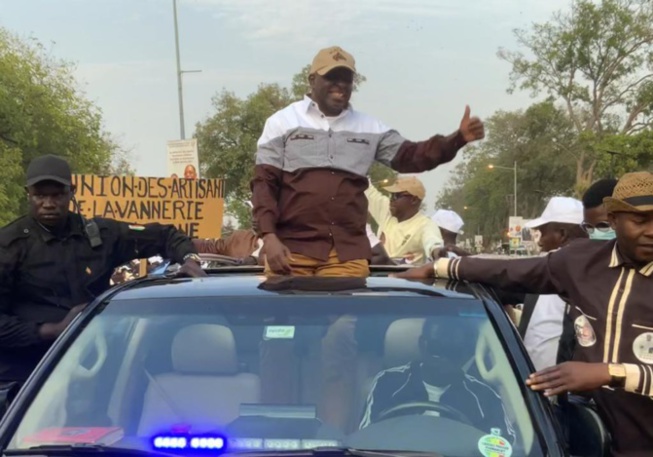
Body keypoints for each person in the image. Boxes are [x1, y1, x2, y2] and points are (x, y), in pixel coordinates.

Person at [394, 171, 653, 457]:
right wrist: (440, 268)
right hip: (588, 436)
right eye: (640, 220)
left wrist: (610, 373)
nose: (651, 230)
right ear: (614, 219)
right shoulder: (581, 262)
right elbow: (511, 271)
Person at [251, 45, 485, 277]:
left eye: (346, 79)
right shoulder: (281, 122)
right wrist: (269, 236)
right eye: (332, 77)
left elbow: (412, 156)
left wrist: (457, 139)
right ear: (312, 80)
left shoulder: (370, 128)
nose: (340, 85)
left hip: (346, 253)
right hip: (291, 248)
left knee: (347, 315)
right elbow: (264, 184)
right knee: (289, 315)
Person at [0, 154, 206, 387]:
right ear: (28, 193)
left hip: (93, 371)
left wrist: (190, 259)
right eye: (40, 195)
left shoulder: (99, 235)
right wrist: (50, 330)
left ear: (71, 192)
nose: (48, 203)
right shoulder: (8, 245)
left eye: (57, 195)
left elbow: (166, 235)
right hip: (25, 378)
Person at [360, 318, 515, 442]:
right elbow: (366, 438)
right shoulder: (389, 382)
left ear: (466, 355)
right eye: (436, 348)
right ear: (422, 345)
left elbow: (504, 447)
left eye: (452, 351)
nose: (443, 358)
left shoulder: (485, 397)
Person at [516, 197, 587, 372]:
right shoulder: (551, 269)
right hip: (536, 378)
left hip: (557, 383)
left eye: (542, 233)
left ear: (562, 235)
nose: (539, 242)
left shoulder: (567, 269)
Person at [366, 177, 443, 265]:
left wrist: (437, 252)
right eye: (391, 195)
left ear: (414, 200)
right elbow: (369, 191)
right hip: (376, 275)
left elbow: (433, 244)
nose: (391, 200)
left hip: (403, 277)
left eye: (396, 196)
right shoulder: (386, 210)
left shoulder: (425, 225)